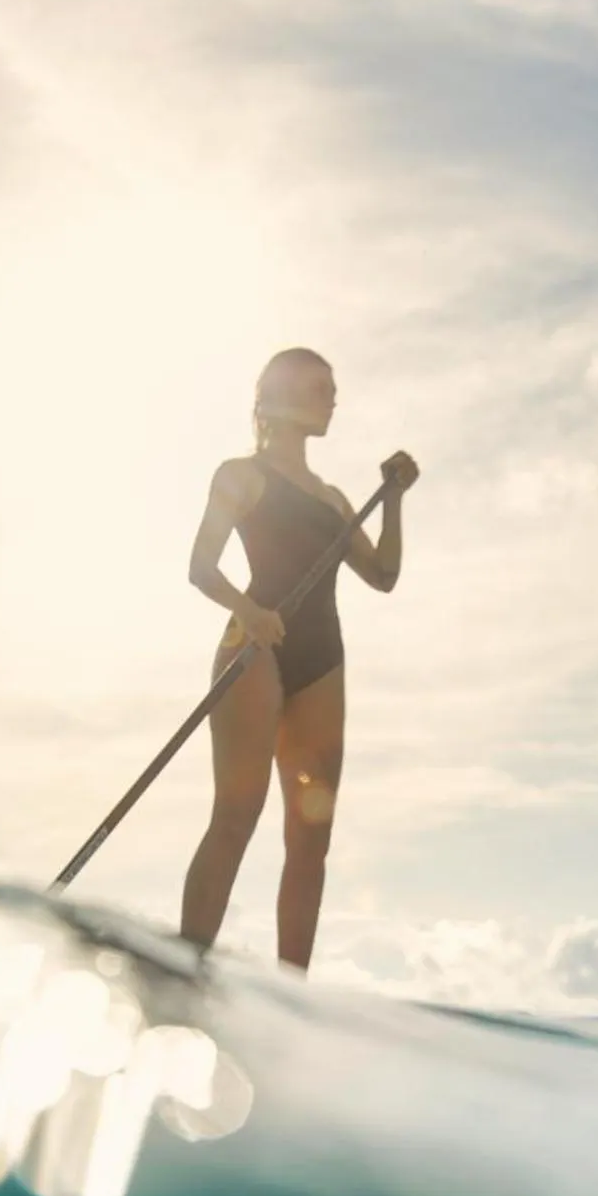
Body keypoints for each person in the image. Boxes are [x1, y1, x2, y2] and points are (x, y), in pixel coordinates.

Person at [180, 347, 418, 969]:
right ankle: (188, 970)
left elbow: (384, 575)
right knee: (237, 813)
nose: (331, 400)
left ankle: (292, 994)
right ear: (280, 393)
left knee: (310, 837)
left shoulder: (336, 499)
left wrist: (392, 497)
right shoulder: (240, 474)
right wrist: (248, 610)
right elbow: (201, 567)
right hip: (255, 644)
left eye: (333, 389)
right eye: (320, 388)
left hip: (322, 660)